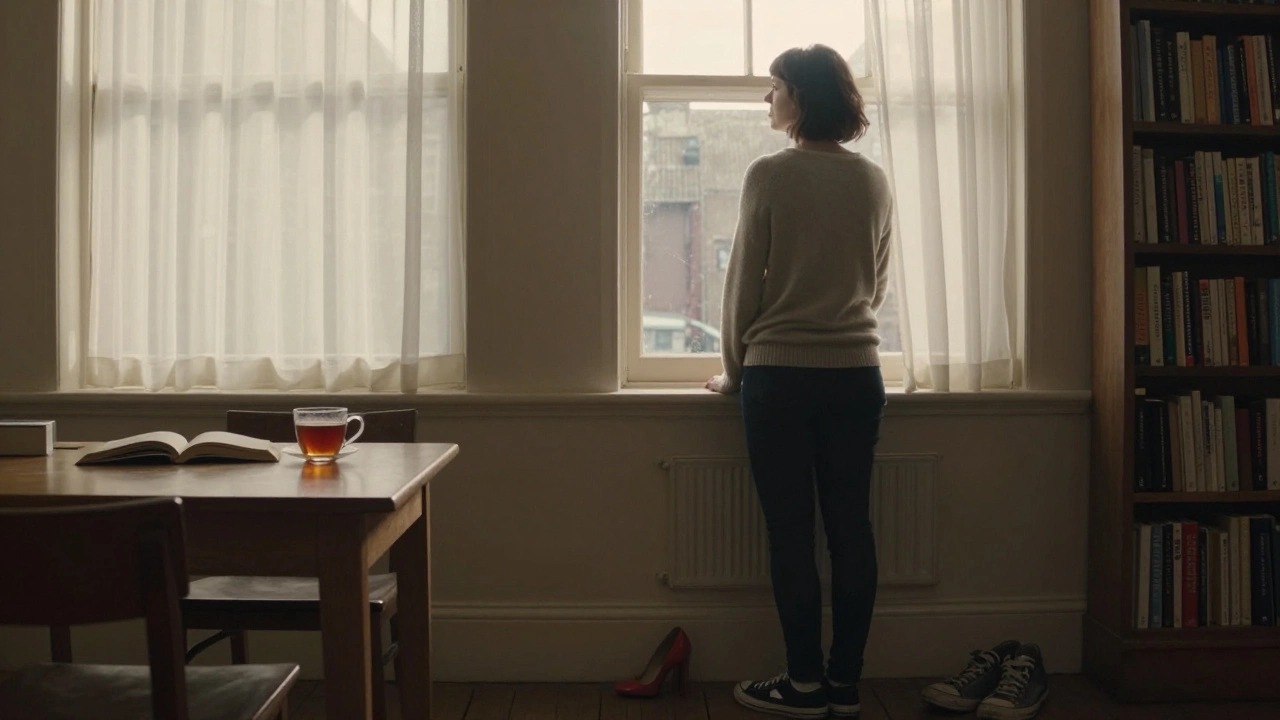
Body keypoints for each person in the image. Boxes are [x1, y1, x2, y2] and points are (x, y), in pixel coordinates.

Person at [705, 44, 893, 720]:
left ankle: (803, 683)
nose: (767, 100)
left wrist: (732, 373)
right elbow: (878, 276)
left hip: (779, 378)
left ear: (801, 97)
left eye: (775, 87)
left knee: (791, 534)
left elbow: (740, 290)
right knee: (851, 530)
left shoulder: (771, 175)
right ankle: (845, 684)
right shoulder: (872, 180)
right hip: (856, 373)